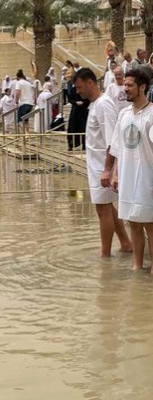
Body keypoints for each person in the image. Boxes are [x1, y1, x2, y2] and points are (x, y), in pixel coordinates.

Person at [73, 68, 132, 257]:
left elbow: (112, 141)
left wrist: (108, 170)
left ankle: (104, 254)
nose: (77, 91)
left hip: (102, 166)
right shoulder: (95, 105)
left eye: (80, 87)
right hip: (96, 165)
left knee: (102, 209)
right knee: (107, 207)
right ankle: (125, 243)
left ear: (90, 82)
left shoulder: (104, 104)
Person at [108, 69, 153, 272]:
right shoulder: (123, 114)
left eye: (129, 85)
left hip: (147, 178)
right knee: (133, 222)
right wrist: (115, 173)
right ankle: (137, 266)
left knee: (150, 224)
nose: (125, 88)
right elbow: (117, 147)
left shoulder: (152, 114)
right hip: (127, 177)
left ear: (142, 87)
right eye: (124, 85)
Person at [67, 82, 89, 151]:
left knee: (83, 127)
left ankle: (84, 145)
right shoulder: (73, 89)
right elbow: (70, 99)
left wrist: (83, 102)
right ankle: (71, 144)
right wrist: (75, 102)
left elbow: (88, 98)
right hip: (75, 111)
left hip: (83, 110)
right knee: (73, 127)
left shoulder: (85, 89)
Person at [15, 69, 34, 134]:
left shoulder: (19, 83)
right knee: (26, 120)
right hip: (30, 104)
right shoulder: (28, 83)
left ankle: (26, 133)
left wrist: (16, 101)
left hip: (23, 103)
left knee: (19, 121)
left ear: (18, 77)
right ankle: (27, 132)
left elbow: (18, 92)